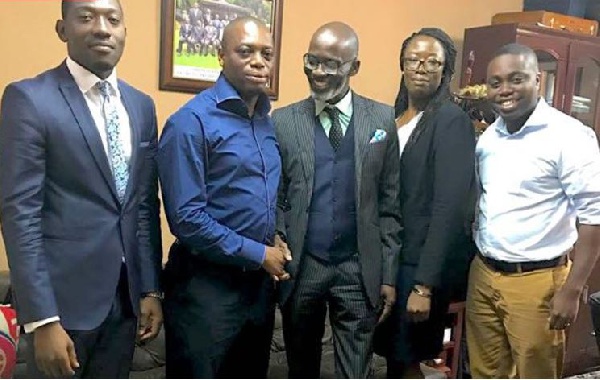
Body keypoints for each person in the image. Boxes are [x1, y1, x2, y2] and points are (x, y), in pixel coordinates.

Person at [0, 0, 163, 378]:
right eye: (86, 17)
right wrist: (42, 319)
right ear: (62, 30)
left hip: (123, 304)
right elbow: (19, 214)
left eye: (113, 19)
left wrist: (151, 290)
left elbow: (141, 207)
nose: (102, 28)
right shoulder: (29, 99)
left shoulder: (141, 106)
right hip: (61, 309)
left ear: (124, 31)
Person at [157, 16, 289, 378]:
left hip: (258, 291)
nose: (258, 61)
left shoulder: (264, 121)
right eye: (245, 51)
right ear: (220, 56)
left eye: (267, 53)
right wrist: (259, 253)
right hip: (205, 290)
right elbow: (187, 219)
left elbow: (258, 198)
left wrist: (272, 237)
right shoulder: (190, 123)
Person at [272, 22, 402, 378]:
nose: (318, 72)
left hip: (357, 267)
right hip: (303, 265)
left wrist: (388, 274)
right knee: (300, 366)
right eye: (312, 61)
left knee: (355, 369)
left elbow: (390, 206)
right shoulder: (282, 121)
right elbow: (276, 196)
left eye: (331, 64)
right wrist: (278, 238)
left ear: (354, 67)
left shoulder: (381, 119)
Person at [467, 43, 600, 378]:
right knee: (486, 372)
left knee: (536, 373)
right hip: (484, 274)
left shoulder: (569, 136)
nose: (505, 90)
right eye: (495, 83)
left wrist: (571, 290)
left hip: (537, 282)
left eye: (516, 79)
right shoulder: (489, 139)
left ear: (537, 80)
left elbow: (594, 217)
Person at [378, 28, 477, 378]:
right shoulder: (395, 117)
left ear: (445, 69)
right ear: (402, 66)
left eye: (432, 61)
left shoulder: (451, 121)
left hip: (420, 268)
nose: (421, 67)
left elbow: (449, 208)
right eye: (413, 60)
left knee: (408, 360)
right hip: (393, 260)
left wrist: (424, 285)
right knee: (393, 356)